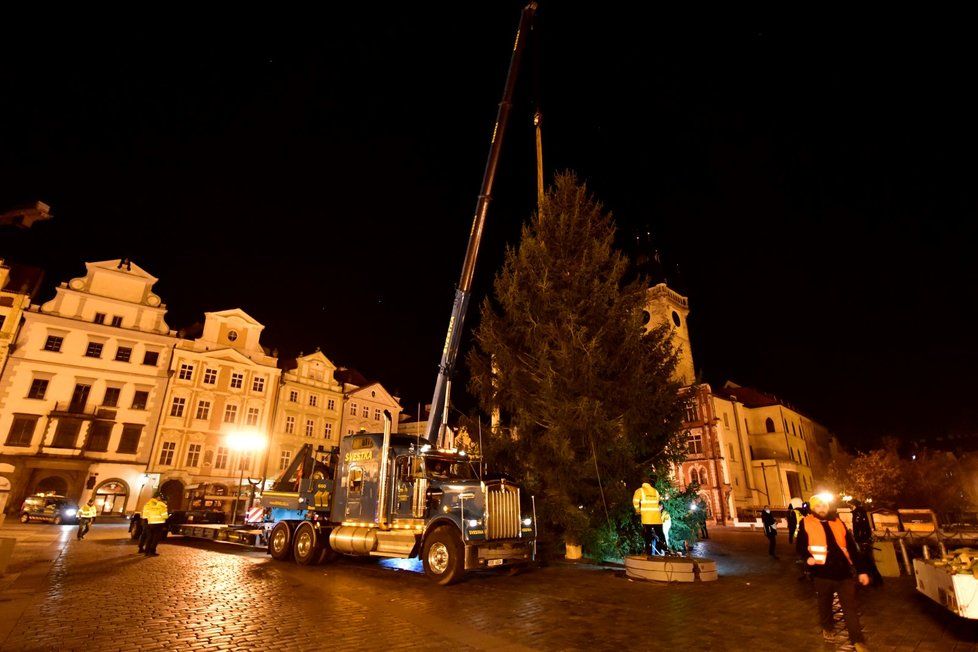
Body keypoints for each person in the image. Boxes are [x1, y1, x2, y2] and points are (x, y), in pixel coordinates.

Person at [796, 494, 871, 651]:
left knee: (850, 607)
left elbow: (851, 547)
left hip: (843, 573)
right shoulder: (806, 522)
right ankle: (827, 627)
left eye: (824, 505)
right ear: (812, 508)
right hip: (821, 573)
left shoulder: (838, 522)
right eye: (818, 506)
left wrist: (862, 571)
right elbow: (801, 546)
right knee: (824, 604)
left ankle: (857, 640)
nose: (822, 508)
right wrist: (807, 558)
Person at [850, 500, 882, 586]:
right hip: (864, 539)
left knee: (866, 559)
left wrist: (859, 538)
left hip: (862, 539)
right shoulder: (861, 512)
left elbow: (858, 526)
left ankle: (875, 579)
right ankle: (874, 579)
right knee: (867, 559)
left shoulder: (857, 513)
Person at [632, 481, 664, 557]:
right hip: (657, 518)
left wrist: (638, 510)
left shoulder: (640, 490)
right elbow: (658, 501)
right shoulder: (655, 491)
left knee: (648, 536)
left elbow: (635, 501)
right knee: (660, 534)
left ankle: (649, 553)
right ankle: (664, 550)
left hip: (647, 519)